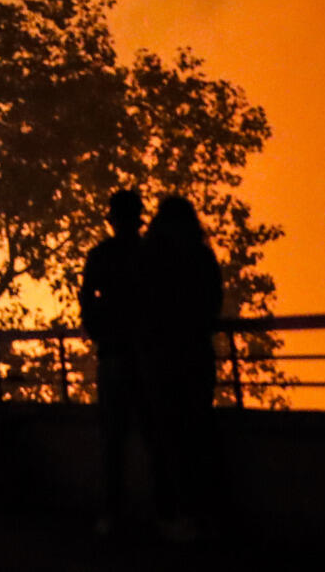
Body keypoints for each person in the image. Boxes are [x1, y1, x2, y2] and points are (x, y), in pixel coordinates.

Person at [137, 196, 224, 540]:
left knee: (164, 436)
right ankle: (199, 511)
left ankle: (171, 511)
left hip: (159, 357)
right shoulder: (201, 256)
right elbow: (213, 303)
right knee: (196, 433)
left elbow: (140, 305)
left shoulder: (149, 258)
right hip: (194, 354)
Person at [79, 190, 147, 534]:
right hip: (149, 354)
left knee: (112, 436)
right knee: (156, 434)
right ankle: (165, 510)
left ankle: (112, 511)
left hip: (114, 352)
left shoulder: (101, 255)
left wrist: (98, 328)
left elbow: (87, 297)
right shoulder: (151, 254)